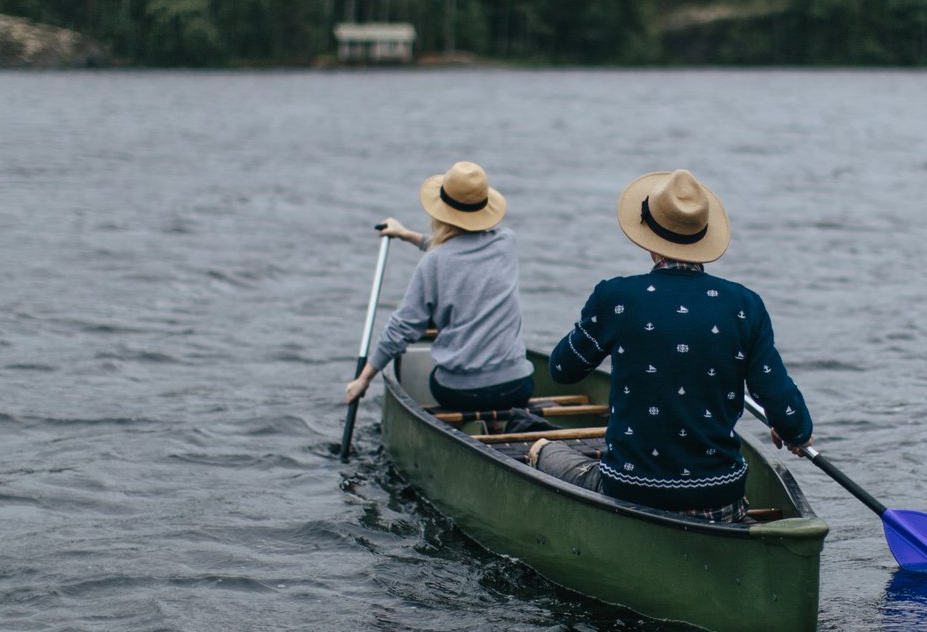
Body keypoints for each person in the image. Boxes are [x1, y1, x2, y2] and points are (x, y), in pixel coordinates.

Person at [528, 169, 813, 523]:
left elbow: (561, 370)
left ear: (648, 239)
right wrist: (794, 432)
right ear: (703, 237)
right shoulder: (745, 304)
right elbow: (783, 405)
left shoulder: (616, 297)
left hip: (630, 489)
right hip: (721, 497)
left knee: (544, 450)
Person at [343, 161, 536, 415]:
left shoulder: (434, 262)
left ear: (441, 210)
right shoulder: (506, 243)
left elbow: (404, 327)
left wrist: (363, 379)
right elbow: (460, 252)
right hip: (517, 387)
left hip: (461, 394)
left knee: (438, 378)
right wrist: (407, 235)